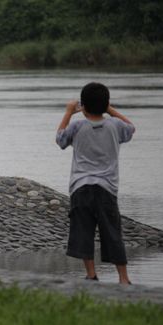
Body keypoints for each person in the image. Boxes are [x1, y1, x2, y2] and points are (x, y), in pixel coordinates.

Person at [56, 82, 135, 284]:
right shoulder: (114, 126)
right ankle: (123, 278)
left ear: (84, 107)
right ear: (105, 104)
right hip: (106, 188)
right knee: (112, 232)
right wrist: (110, 110)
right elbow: (131, 127)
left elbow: (60, 139)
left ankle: (91, 275)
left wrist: (68, 112)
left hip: (80, 187)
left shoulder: (77, 126)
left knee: (83, 231)